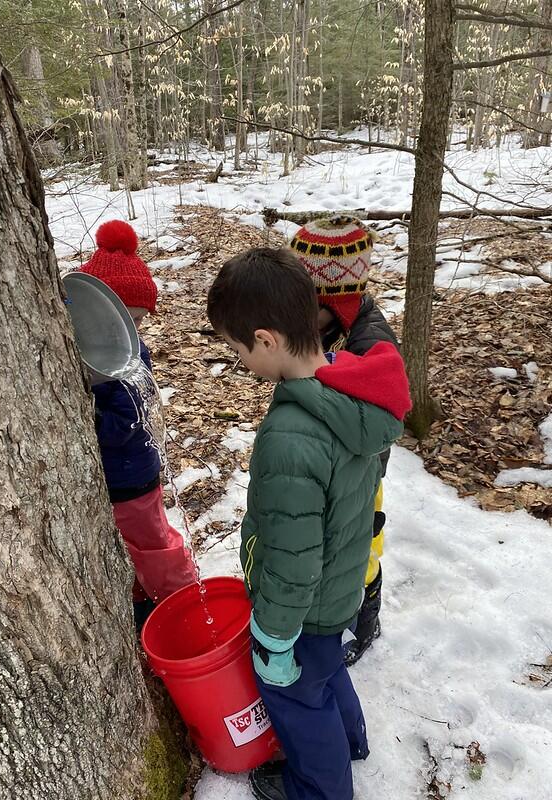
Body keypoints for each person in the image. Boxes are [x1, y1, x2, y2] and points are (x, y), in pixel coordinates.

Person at [207, 247, 411, 800]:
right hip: (341, 587)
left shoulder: (291, 436)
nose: (238, 359)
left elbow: (295, 556)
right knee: (326, 675)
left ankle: (318, 787)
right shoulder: (351, 388)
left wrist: (274, 638)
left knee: (299, 697)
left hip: (305, 608)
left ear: (267, 339)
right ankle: (350, 742)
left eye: (236, 347)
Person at [290, 215, 399, 665]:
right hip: (332, 464)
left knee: (363, 545)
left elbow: (374, 425)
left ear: (336, 300)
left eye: (303, 306)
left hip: (362, 468)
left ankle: (367, 617)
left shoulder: (371, 346)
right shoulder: (332, 327)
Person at [82, 220, 197, 630]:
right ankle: (139, 598)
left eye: (138, 322)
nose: (131, 332)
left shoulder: (130, 361)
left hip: (133, 478)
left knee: (153, 544)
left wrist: (88, 414)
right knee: (125, 546)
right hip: (114, 479)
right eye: (123, 321)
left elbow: (125, 422)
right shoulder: (86, 354)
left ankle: (181, 599)